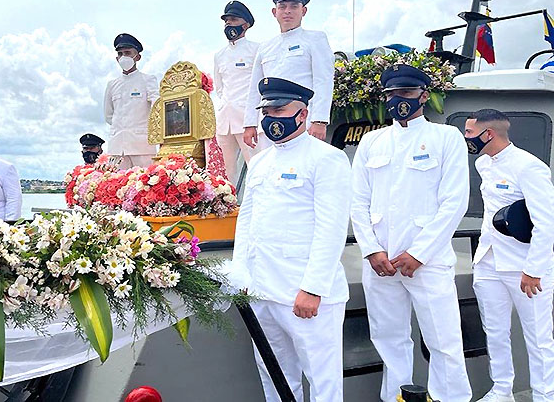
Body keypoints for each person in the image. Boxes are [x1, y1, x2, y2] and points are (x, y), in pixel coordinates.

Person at [350, 64, 472, 402]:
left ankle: (451, 399)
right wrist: (371, 251)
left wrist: (418, 254)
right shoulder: (372, 141)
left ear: (422, 94)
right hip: (381, 262)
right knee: (388, 339)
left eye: (405, 93)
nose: (398, 100)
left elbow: (454, 203)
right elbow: (357, 202)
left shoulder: (445, 138)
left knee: (443, 341)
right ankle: (396, 398)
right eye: (391, 95)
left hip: (427, 262)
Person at [229, 77, 351, 401]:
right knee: (275, 377)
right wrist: (240, 274)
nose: (271, 117)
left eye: (279, 109)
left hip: (305, 295)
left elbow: (332, 228)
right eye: (266, 111)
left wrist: (313, 288)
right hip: (262, 290)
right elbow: (247, 222)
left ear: (302, 114)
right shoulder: (260, 163)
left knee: (323, 385)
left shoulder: (327, 159)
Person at [464, 109, 554, 402]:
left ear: (487, 134)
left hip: (524, 265)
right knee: (495, 331)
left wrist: (535, 269)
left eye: (469, 132)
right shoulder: (483, 164)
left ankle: (544, 395)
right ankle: (502, 389)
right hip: (489, 261)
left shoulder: (529, 167)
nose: (466, 138)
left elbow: (546, 222)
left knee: (539, 338)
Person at [243, 0, 334, 148]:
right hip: (270, 122)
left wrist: (319, 120)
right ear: (274, 12)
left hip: (302, 121)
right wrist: (250, 124)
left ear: (303, 11)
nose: (288, 11)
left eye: (294, 6)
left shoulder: (315, 39)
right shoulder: (265, 47)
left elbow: (324, 81)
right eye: (282, 6)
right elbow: (254, 88)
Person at [213, 0, 260, 185]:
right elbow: (219, 87)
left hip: (248, 119)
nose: (228, 25)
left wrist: (252, 116)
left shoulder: (256, 49)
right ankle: (230, 210)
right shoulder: (219, 55)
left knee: (256, 167)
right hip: (225, 120)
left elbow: (259, 84)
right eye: (226, 21)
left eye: (233, 20)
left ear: (245, 24)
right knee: (226, 174)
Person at [103, 33, 159, 169]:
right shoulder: (112, 84)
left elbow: (157, 109)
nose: (123, 57)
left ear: (137, 57)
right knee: (116, 187)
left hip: (142, 147)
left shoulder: (148, 80)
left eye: (127, 53)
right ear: (117, 58)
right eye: (120, 54)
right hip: (117, 148)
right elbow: (108, 115)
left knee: (145, 186)